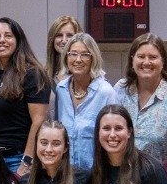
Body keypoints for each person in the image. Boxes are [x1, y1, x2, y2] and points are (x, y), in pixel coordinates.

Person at [0, 17, 49, 175]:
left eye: (8, 36)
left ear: (18, 40)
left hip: (18, 158)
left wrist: (27, 162)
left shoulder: (32, 74)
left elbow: (39, 121)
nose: (2, 40)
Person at [116, 33, 167, 165]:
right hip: (122, 177)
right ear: (132, 60)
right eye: (141, 57)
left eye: (152, 57)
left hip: (163, 180)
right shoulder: (120, 90)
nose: (146, 62)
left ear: (163, 61)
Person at [48, 31, 119, 169]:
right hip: (66, 176)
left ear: (93, 58)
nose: (78, 59)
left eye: (85, 54)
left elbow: (116, 138)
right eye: (73, 54)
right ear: (66, 57)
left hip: (97, 176)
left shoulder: (106, 93)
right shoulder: (61, 90)